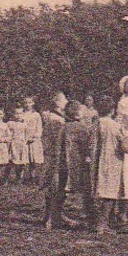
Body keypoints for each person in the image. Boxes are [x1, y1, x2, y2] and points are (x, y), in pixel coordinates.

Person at [94, 106, 128, 230]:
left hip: (97, 160)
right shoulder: (114, 126)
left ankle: (103, 220)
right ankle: (102, 224)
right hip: (112, 160)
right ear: (111, 111)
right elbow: (124, 146)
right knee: (110, 192)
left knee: (100, 190)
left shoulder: (96, 122)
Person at [62, 101, 99, 230]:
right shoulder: (81, 128)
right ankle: (81, 216)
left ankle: (66, 213)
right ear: (77, 113)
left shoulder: (63, 126)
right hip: (78, 161)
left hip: (65, 161)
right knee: (82, 188)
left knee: (68, 187)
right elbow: (86, 146)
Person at [39, 92, 69, 229]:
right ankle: (51, 217)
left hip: (54, 156)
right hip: (56, 157)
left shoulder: (56, 118)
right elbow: (56, 142)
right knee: (55, 186)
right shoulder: (56, 120)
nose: (66, 101)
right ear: (57, 102)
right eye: (64, 99)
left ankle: (54, 215)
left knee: (58, 186)